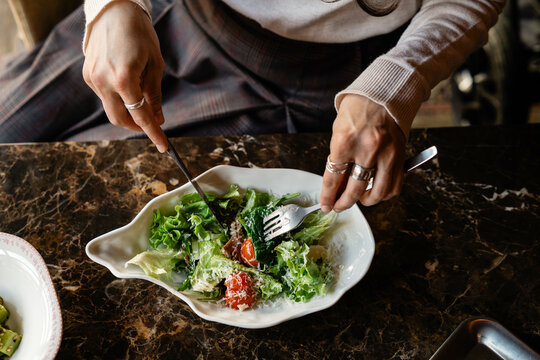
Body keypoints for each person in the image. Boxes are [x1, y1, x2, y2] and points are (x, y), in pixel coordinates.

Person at [0, 0, 505, 212]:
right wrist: (113, 5)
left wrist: (397, 83)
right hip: (164, 14)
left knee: (99, 193)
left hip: (310, 77)